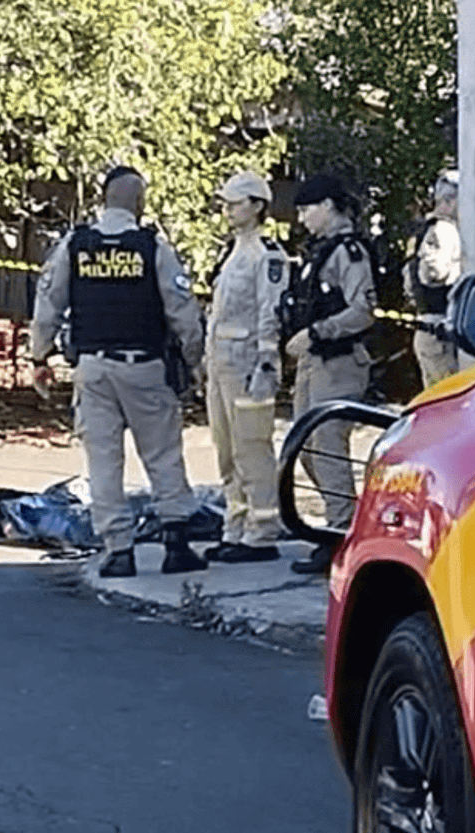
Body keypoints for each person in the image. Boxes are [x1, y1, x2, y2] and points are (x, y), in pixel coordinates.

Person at [29, 165, 208, 578]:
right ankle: (176, 545)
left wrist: (39, 359)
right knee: (162, 453)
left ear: (102, 200)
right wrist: (195, 361)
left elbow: (47, 307)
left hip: (93, 368)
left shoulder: (75, 245)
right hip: (145, 366)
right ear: (140, 204)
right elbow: (182, 312)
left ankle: (118, 551)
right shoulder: (153, 248)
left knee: (103, 461)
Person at [283, 173, 375, 574]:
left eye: (307, 209)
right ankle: (338, 527)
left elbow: (362, 310)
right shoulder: (319, 251)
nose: (302, 218)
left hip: (339, 362)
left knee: (327, 446)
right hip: (313, 361)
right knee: (304, 448)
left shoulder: (350, 252)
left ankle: (341, 536)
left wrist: (319, 331)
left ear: (328, 206)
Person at [203, 170, 289, 563]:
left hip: (247, 363)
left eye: (236, 203)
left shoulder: (266, 253)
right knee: (226, 450)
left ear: (257, 206)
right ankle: (234, 527)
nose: (228, 210)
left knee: (252, 447)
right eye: (226, 203)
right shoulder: (232, 250)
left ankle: (263, 531)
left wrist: (267, 363)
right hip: (220, 363)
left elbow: (270, 313)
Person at [403, 170, 462, 388]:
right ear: (450, 201)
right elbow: (434, 273)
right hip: (439, 334)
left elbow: (410, 284)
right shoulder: (444, 230)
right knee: (449, 402)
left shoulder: (425, 231)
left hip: (430, 331)